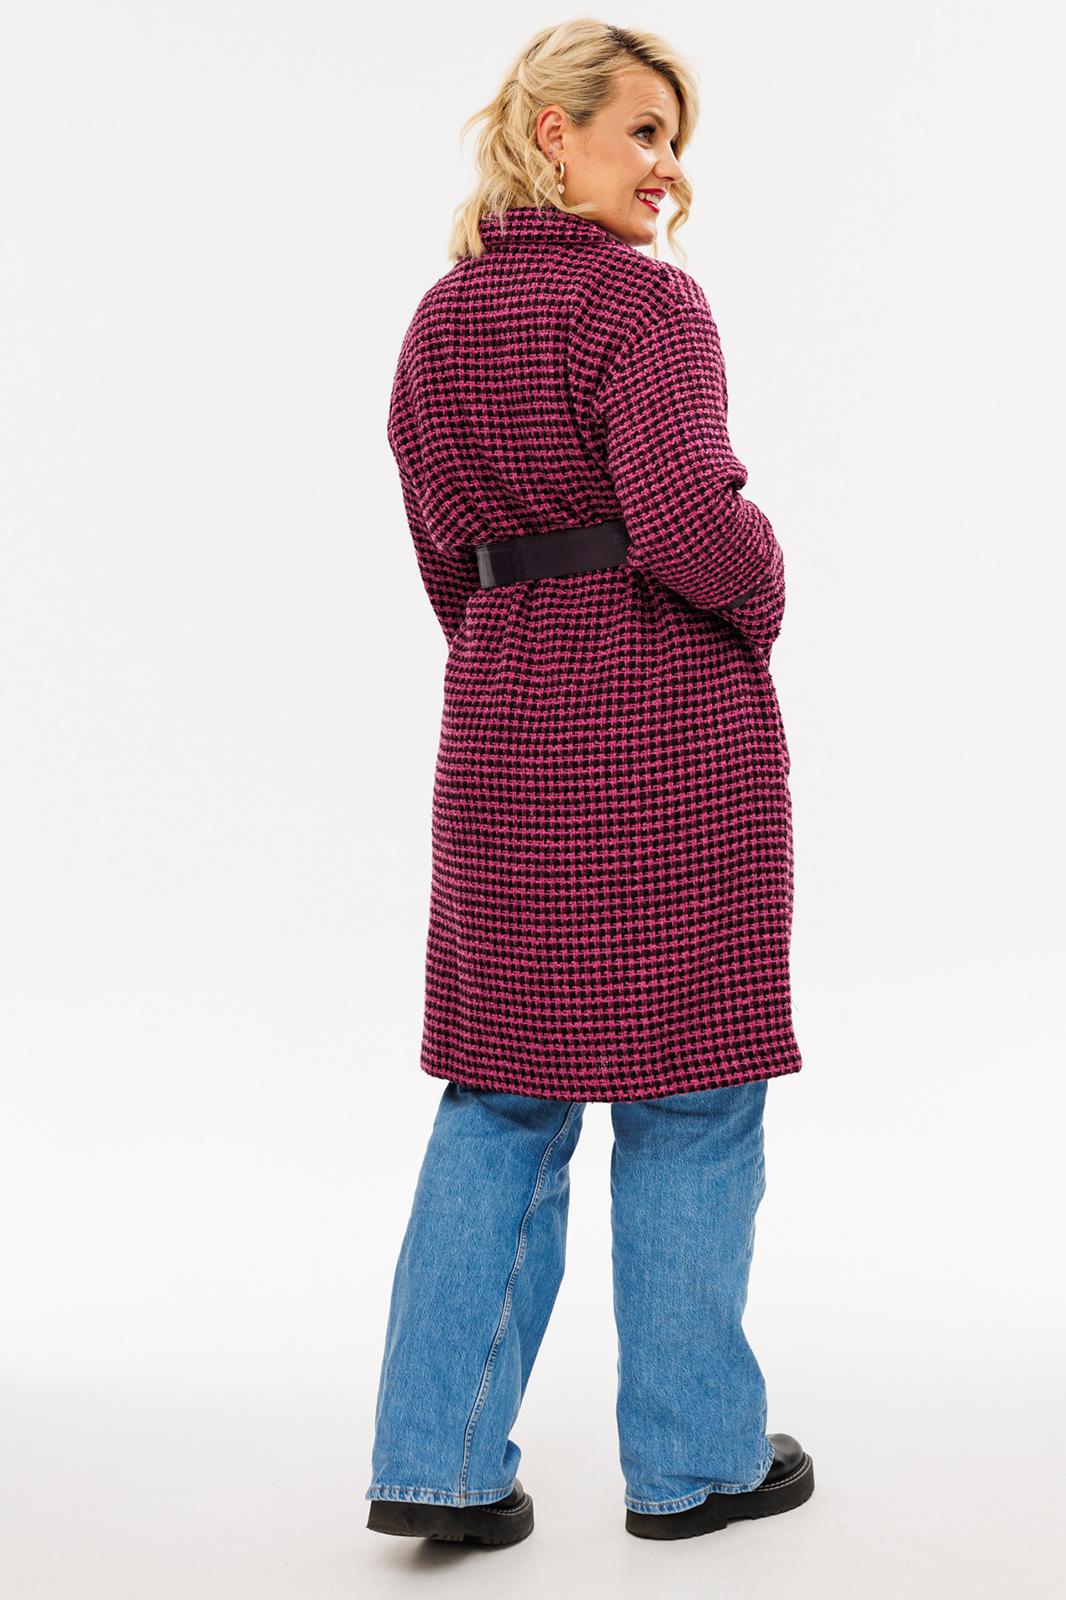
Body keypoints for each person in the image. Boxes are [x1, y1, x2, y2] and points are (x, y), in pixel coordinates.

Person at [365, 19, 814, 1545]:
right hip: (665, 724)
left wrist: (520, 646)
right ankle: (694, 1464)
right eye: (641, 130)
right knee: (694, 1091)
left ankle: (434, 1461)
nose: (665, 167)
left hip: (500, 721)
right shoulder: (643, 302)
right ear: (551, 132)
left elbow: (442, 553)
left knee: (502, 1090)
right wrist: (762, 589)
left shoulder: (440, 318)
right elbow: (686, 519)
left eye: (675, 140)